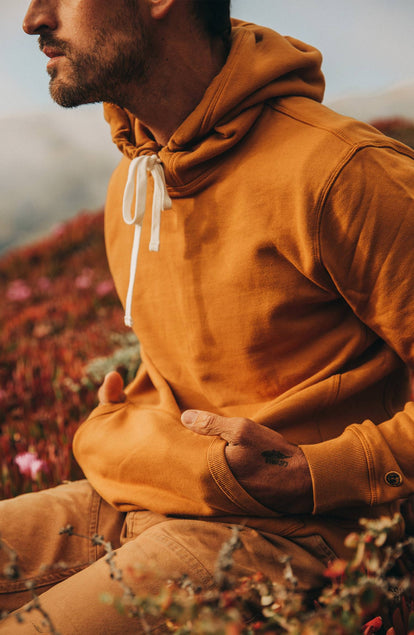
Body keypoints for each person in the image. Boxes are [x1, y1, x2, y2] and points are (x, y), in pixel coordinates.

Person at [1, 0, 414, 632]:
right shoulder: (134, 182)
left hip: (299, 538)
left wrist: (316, 474)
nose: (33, 19)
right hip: (138, 497)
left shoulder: (343, 173)